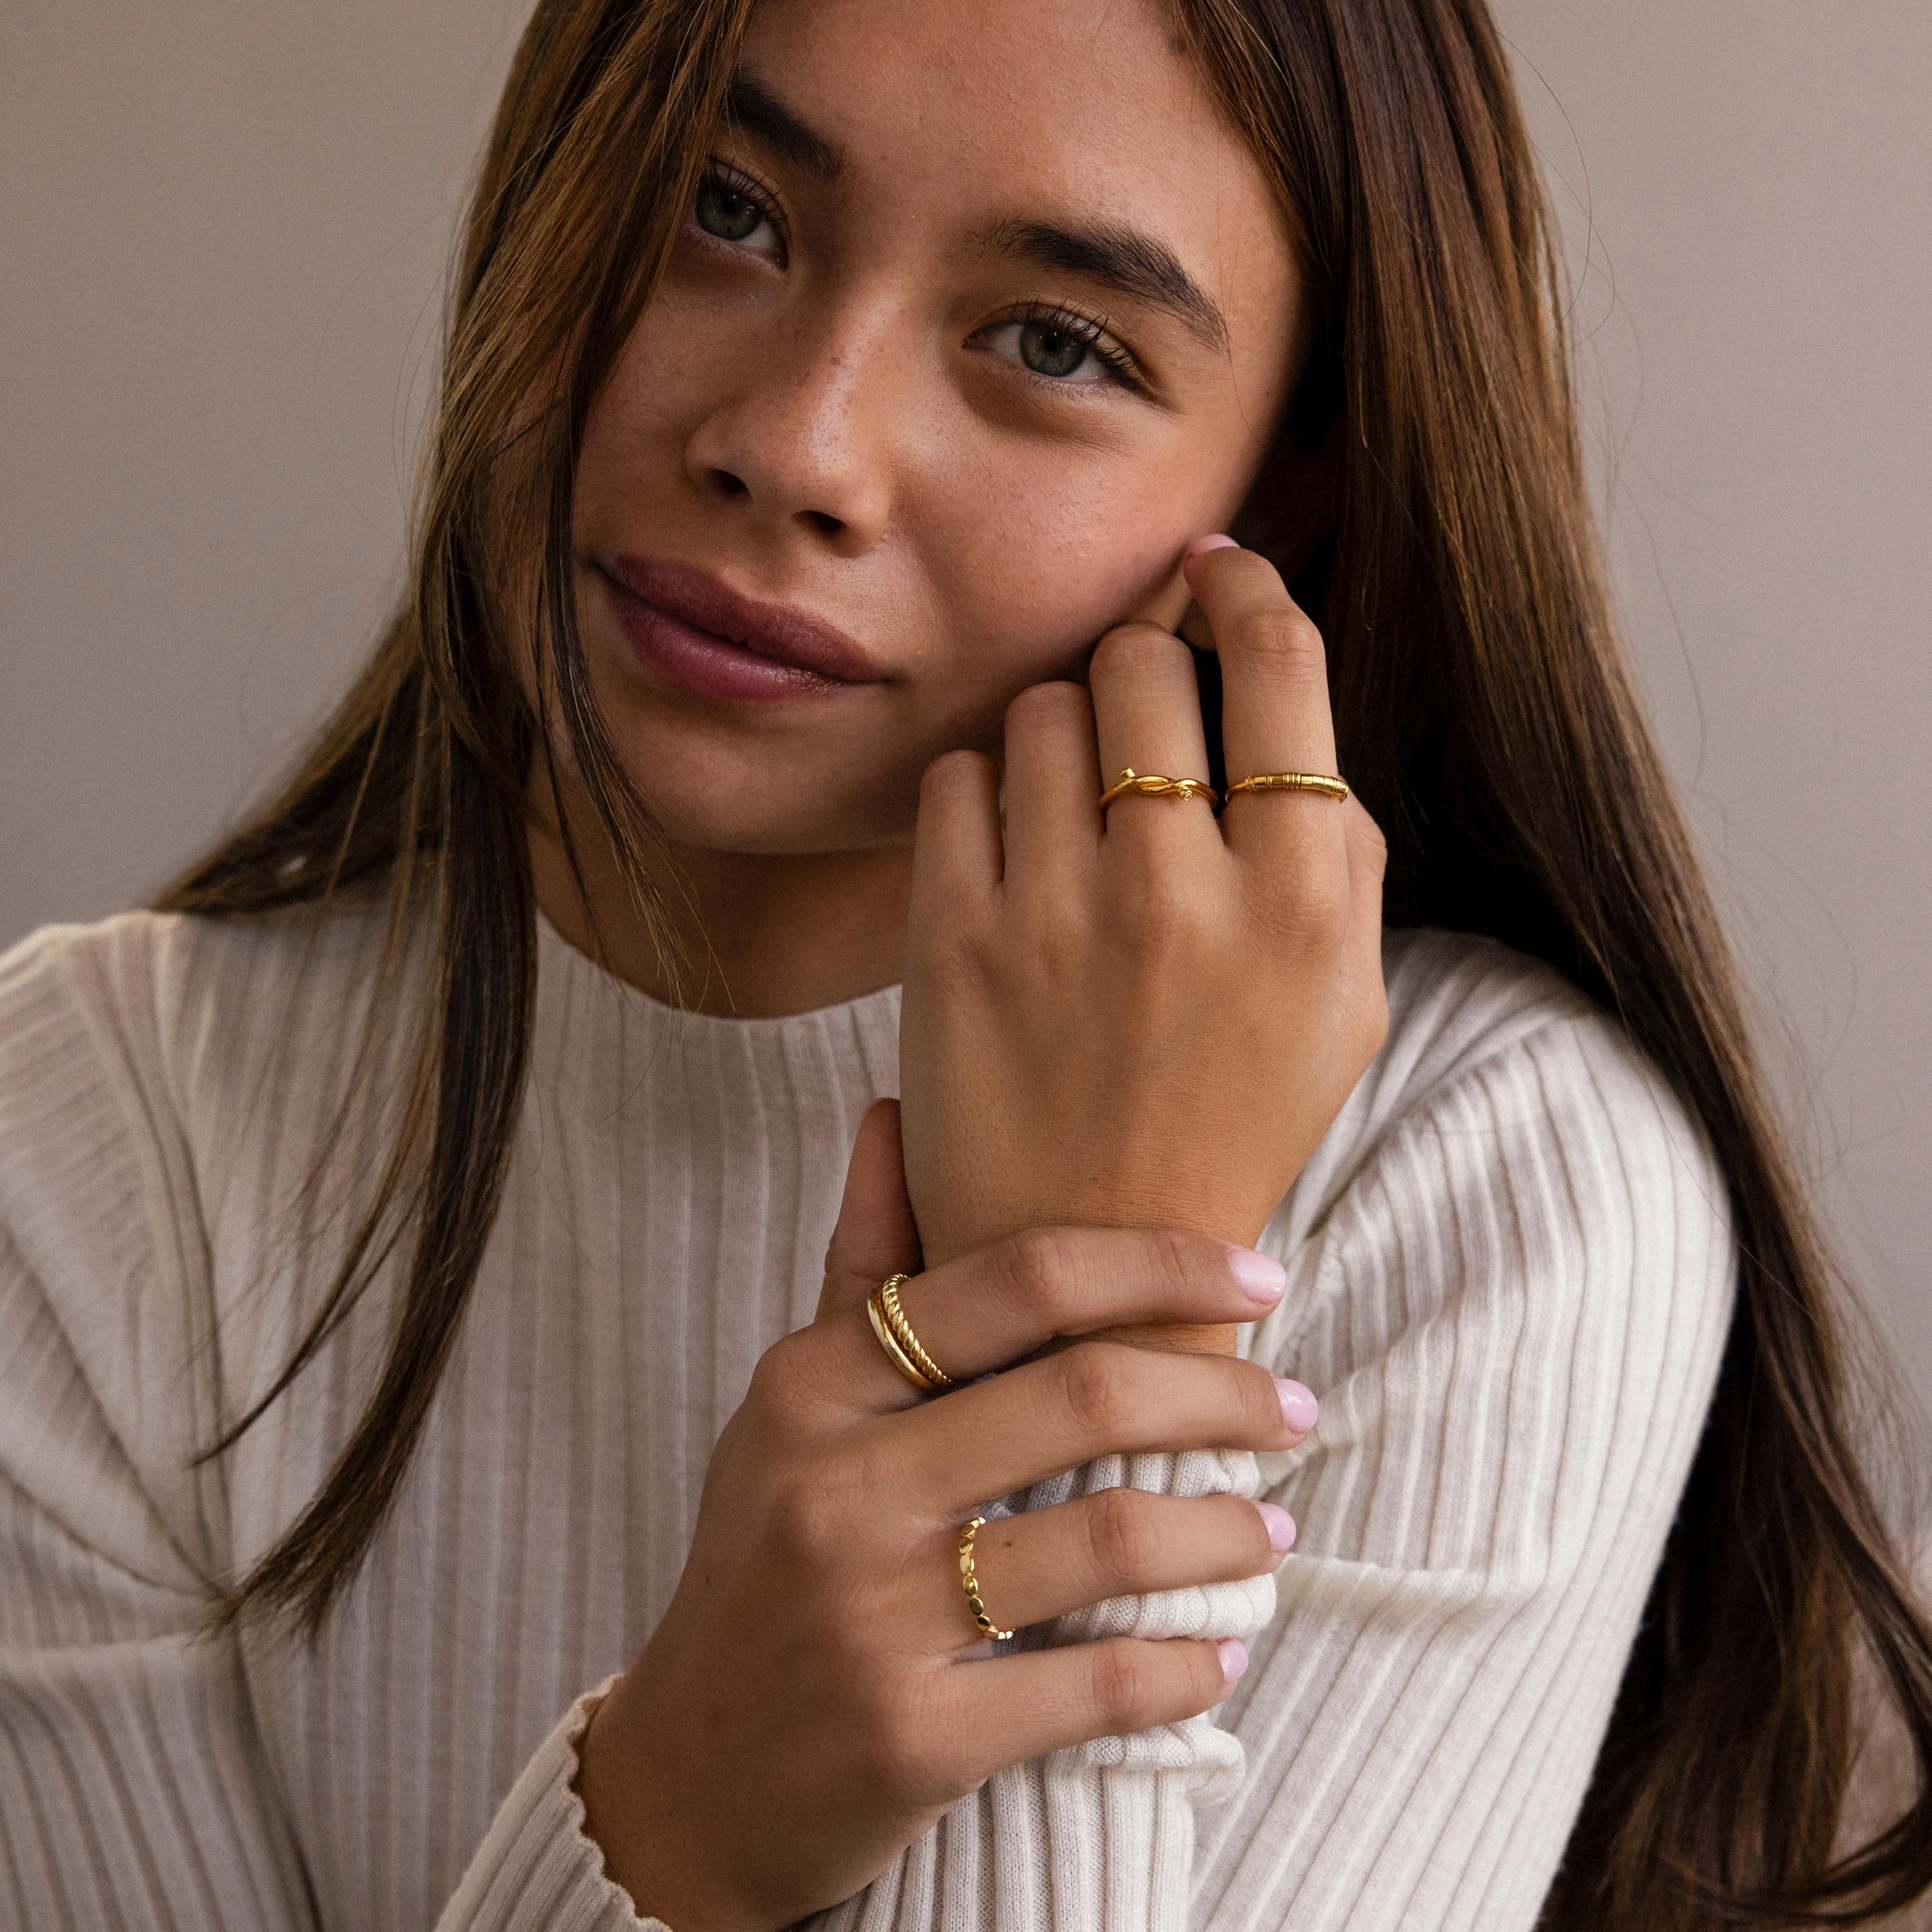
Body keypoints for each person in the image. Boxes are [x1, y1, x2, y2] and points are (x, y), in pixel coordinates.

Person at [1, 0, 1926, 1927]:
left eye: (1056, 343)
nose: (795, 446)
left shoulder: (1491, 1182)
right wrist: (678, 1819)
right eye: (722, 208)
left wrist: (1092, 1301)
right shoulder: (98, 1143)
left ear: (1282, 499)